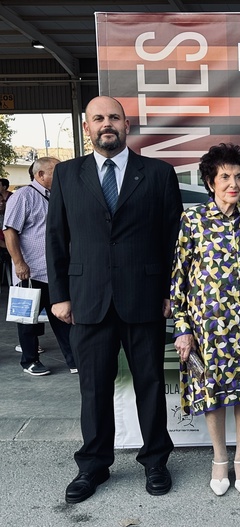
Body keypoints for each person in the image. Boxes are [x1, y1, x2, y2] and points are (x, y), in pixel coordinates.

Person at [46, 96, 182, 504]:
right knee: (94, 387)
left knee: (150, 384)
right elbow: (55, 239)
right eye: (98, 118)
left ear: (128, 124)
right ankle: (93, 466)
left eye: (114, 117)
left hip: (144, 298)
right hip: (87, 299)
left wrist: (171, 293)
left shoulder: (157, 173)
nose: (107, 124)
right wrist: (59, 297)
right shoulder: (67, 175)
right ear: (87, 127)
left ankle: (156, 461)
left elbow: (173, 240)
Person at [171, 143, 240, 496]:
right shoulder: (193, 220)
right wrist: (182, 329)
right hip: (205, 329)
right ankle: (219, 458)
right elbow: (180, 280)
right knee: (209, 390)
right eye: (225, 176)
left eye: (239, 176)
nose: (233, 183)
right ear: (210, 181)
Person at [3, 157, 76, 376]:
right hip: (30, 271)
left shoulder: (60, 196)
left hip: (56, 272)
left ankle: (74, 359)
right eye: (55, 171)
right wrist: (19, 263)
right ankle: (30, 361)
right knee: (28, 320)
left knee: (63, 317)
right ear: (40, 175)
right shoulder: (23, 197)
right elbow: (9, 231)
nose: (60, 174)